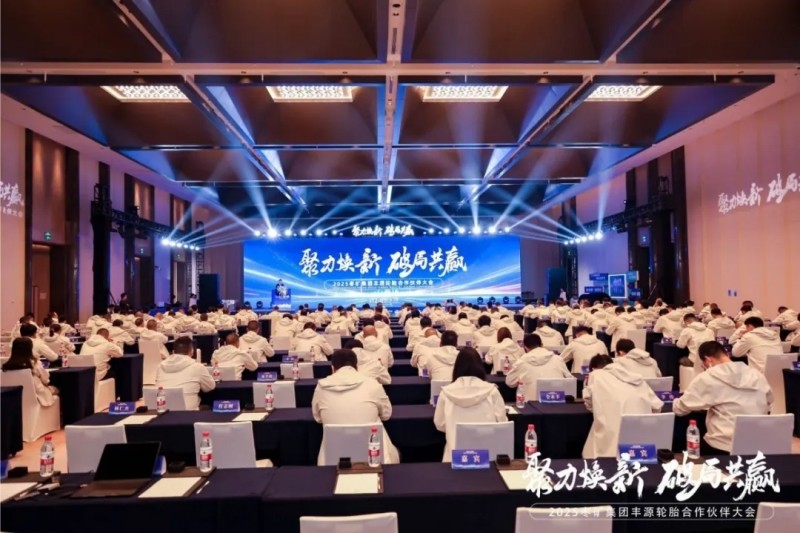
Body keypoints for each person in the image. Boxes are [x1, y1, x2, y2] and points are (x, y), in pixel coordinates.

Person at [673, 341, 773, 454]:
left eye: (703, 365)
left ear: (708, 360)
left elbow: (680, 409)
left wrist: (675, 401)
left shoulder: (708, 377)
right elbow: (770, 401)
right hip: (757, 444)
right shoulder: (756, 374)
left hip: (722, 446)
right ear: (726, 354)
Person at [311, 349, 399, 464]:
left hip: (331, 461)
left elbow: (318, 418)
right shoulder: (372, 384)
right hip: (375, 456)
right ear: (356, 366)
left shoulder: (321, 387)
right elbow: (386, 415)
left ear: (332, 368)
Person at [582, 354, 664, 458]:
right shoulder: (635, 377)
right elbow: (657, 407)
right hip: (642, 445)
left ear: (593, 369)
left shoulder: (596, 374)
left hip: (610, 446)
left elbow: (588, 401)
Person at [434, 348, 507, 462]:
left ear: (457, 368)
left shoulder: (446, 393)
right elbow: (502, 422)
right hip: (487, 458)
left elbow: (440, 424)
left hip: (454, 458)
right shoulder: (492, 391)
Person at [155, 336, 215, 410]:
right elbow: (210, 387)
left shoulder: (160, 366)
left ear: (173, 352)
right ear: (192, 351)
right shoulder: (197, 367)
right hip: (189, 413)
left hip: (162, 411)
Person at [505, 334, 572, 400]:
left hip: (530, 404)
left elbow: (510, 382)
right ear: (542, 344)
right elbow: (570, 380)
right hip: (556, 402)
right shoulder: (558, 359)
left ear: (525, 347)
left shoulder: (521, 362)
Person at [2, 338, 58, 406]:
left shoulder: (6, 367)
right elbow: (46, 380)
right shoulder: (35, 364)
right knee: (55, 389)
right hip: (36, 396)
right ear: (30, 348)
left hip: (11, 398)